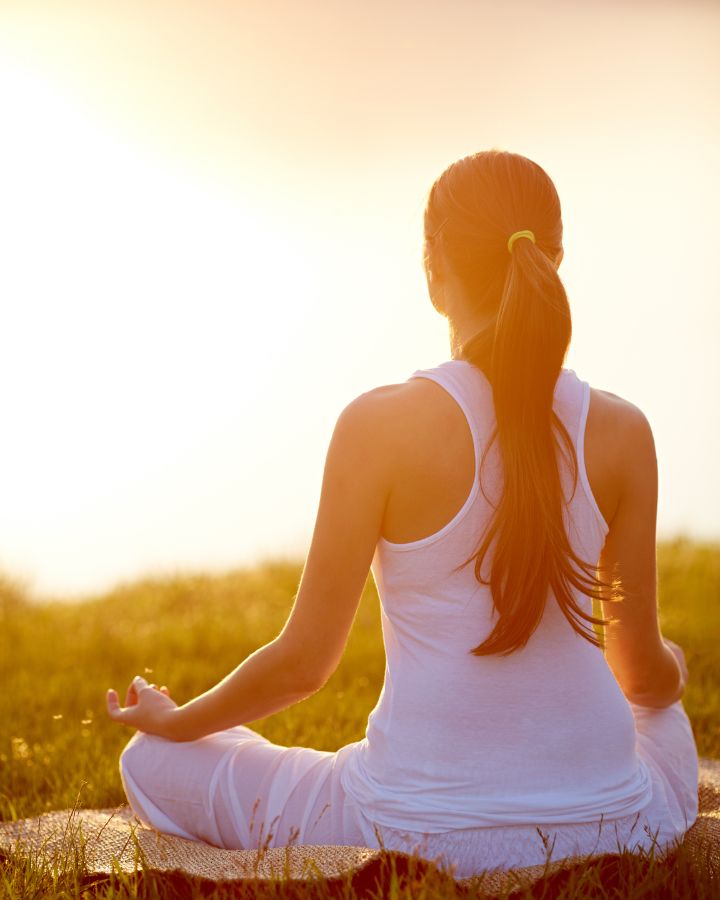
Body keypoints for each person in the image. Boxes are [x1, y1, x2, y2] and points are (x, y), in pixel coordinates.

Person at [106, 149, 699, 879]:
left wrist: (176, 719)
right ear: (556, 257)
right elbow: (642, 678)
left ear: (433, 268)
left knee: (151, 759)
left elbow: (302, 666)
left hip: (407, 829)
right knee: (663, 722)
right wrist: (673, 669)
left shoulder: (379, 426)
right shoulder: (624, 430)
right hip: (614, 823)